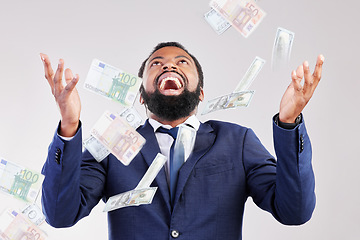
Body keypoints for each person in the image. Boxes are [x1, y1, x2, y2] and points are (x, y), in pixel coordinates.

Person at [40, 42, 324, 240]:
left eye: (181, 63)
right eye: (157, 64)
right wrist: (68, 125)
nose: (169, 67)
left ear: (200, 93)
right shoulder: (111, 143)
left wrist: (289, 123)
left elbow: (295, 211)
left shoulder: (237, 141)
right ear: (141, 95)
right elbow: (60, 215)